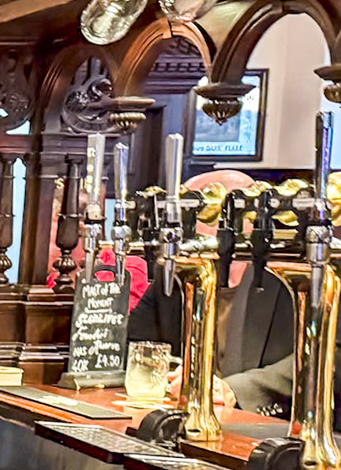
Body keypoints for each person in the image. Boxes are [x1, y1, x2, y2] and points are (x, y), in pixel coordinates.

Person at [126, 169, 295, 413]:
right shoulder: (175, 278)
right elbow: (134, 347)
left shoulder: (292, 280)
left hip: (269, 428)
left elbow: (326, 361)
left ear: (242, 218)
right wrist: (170, 373)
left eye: (197, 212)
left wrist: (236, 389)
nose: (182, 228)